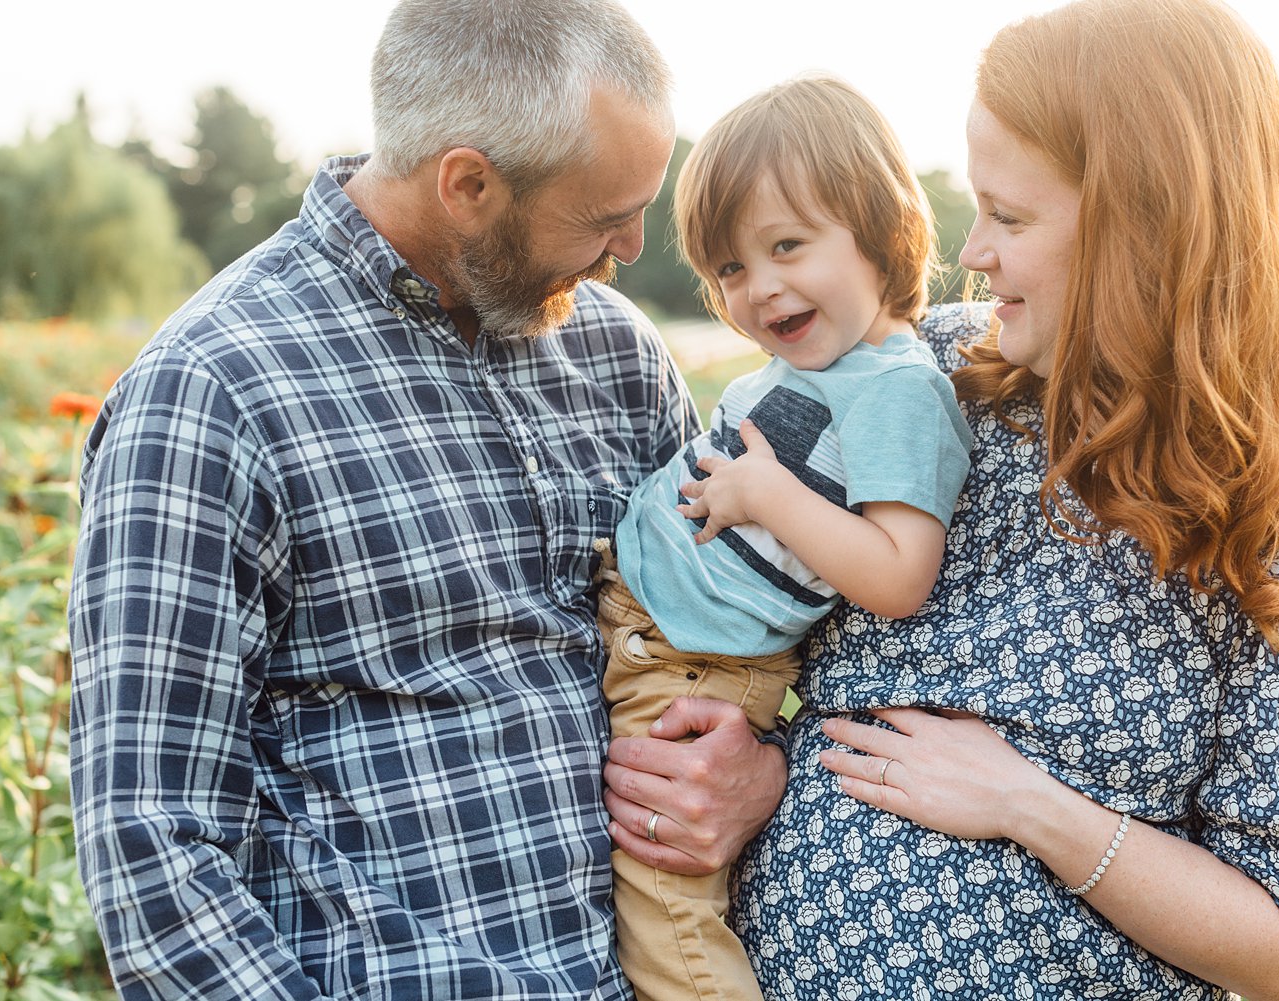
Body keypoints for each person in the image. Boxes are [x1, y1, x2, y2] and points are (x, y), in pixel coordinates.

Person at [66, 2, 788, 998]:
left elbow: (736, 627)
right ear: (468, 185)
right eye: (601, 214)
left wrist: (762, 766)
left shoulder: (619, 356)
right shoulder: (212, 393)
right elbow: (156, 851)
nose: (629, 245)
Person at [721, 2, 1279, 999]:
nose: (973, 251)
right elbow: (736, 600)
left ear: (1147, 229)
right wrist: (744, 768)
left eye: (1012, 215)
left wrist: (1030, 804)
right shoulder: (920, 378)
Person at [597, 76, 971, 1001]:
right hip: (654, 624)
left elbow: (898, 574)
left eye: (787, 246)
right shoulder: (831, 362)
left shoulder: (900, 391)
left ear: (880, 230)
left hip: (696, 664)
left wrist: (766, 493)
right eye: (729, 268)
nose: (759, 288)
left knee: (664, 904)